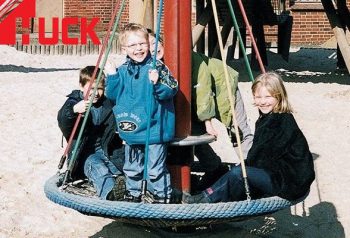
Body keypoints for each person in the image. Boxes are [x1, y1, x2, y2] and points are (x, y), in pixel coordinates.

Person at [182, 71, 315, 203]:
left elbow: (264, 156)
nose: (262, 102)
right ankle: (209, 194)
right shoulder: (268, 118)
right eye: (258, 97)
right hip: (279, 173)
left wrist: (244, 167)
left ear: (279, 96)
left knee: (238, 174)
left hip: (291, 181)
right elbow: (261, 152)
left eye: (268, 97)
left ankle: (204, 199)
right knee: (237, 171)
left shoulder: (281, 121)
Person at [148, 33, 253, 190]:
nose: (152, 49)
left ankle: (251, 170)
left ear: (163, 42)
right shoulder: (156, 66)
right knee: (191, 132)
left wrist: (208, 121)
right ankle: (214, 168)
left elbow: (202, 88)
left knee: (236, 128)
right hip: (194, 97)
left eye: (154, 43)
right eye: (147, 45)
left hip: (222, 85)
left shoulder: (188, 59)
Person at [104, 23, 178, 203]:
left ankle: (162, 197)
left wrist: (157, 82)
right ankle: (134, 194)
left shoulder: (157, 68)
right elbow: (112, 95)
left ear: (148, 44)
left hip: (154, 130)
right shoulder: (121, 71)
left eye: (142, 44)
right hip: (131, 129)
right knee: (132, 167)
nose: (138, 49)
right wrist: (112, 76)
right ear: (124, 49)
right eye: (133, 45)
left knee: (155, 168)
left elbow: (172, 90)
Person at [57, 66, 125, 201]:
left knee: (126, 163)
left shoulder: (107, 103)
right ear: (81, 86)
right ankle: (110, 194)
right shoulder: (74, 102)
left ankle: (127, 184)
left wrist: (113, 75)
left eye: (99, 88)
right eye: (91, 88)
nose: (95, 93)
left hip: (107, 150)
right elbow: (63, 121)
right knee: (98, 168)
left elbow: (121, 96)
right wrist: (73, 111)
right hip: (85, 155)